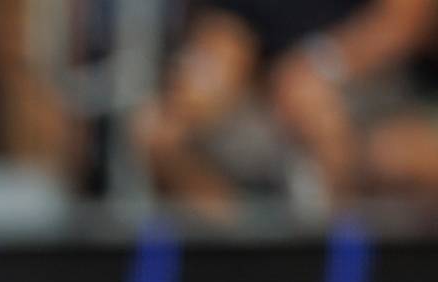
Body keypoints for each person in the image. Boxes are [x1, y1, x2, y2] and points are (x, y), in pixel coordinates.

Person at [135, 0, 435, 218]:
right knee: (161, 135)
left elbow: (403, 23)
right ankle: (242, 266)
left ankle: (340, 265)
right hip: (263, 103)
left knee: (334, 123)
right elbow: (224, 32)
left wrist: (320, 67)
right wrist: (206, 78)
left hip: (379, 92)